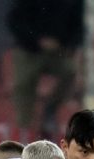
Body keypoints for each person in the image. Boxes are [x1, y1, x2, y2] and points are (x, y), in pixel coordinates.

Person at [7, 0, 84, 140]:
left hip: (59, 50)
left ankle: (51, 109)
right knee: (23, 83)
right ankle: (24, 127)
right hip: (28, 49)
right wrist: (36, 40)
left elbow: (79, 25)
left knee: (70, 72)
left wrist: (66, 43)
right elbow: (15, 20)